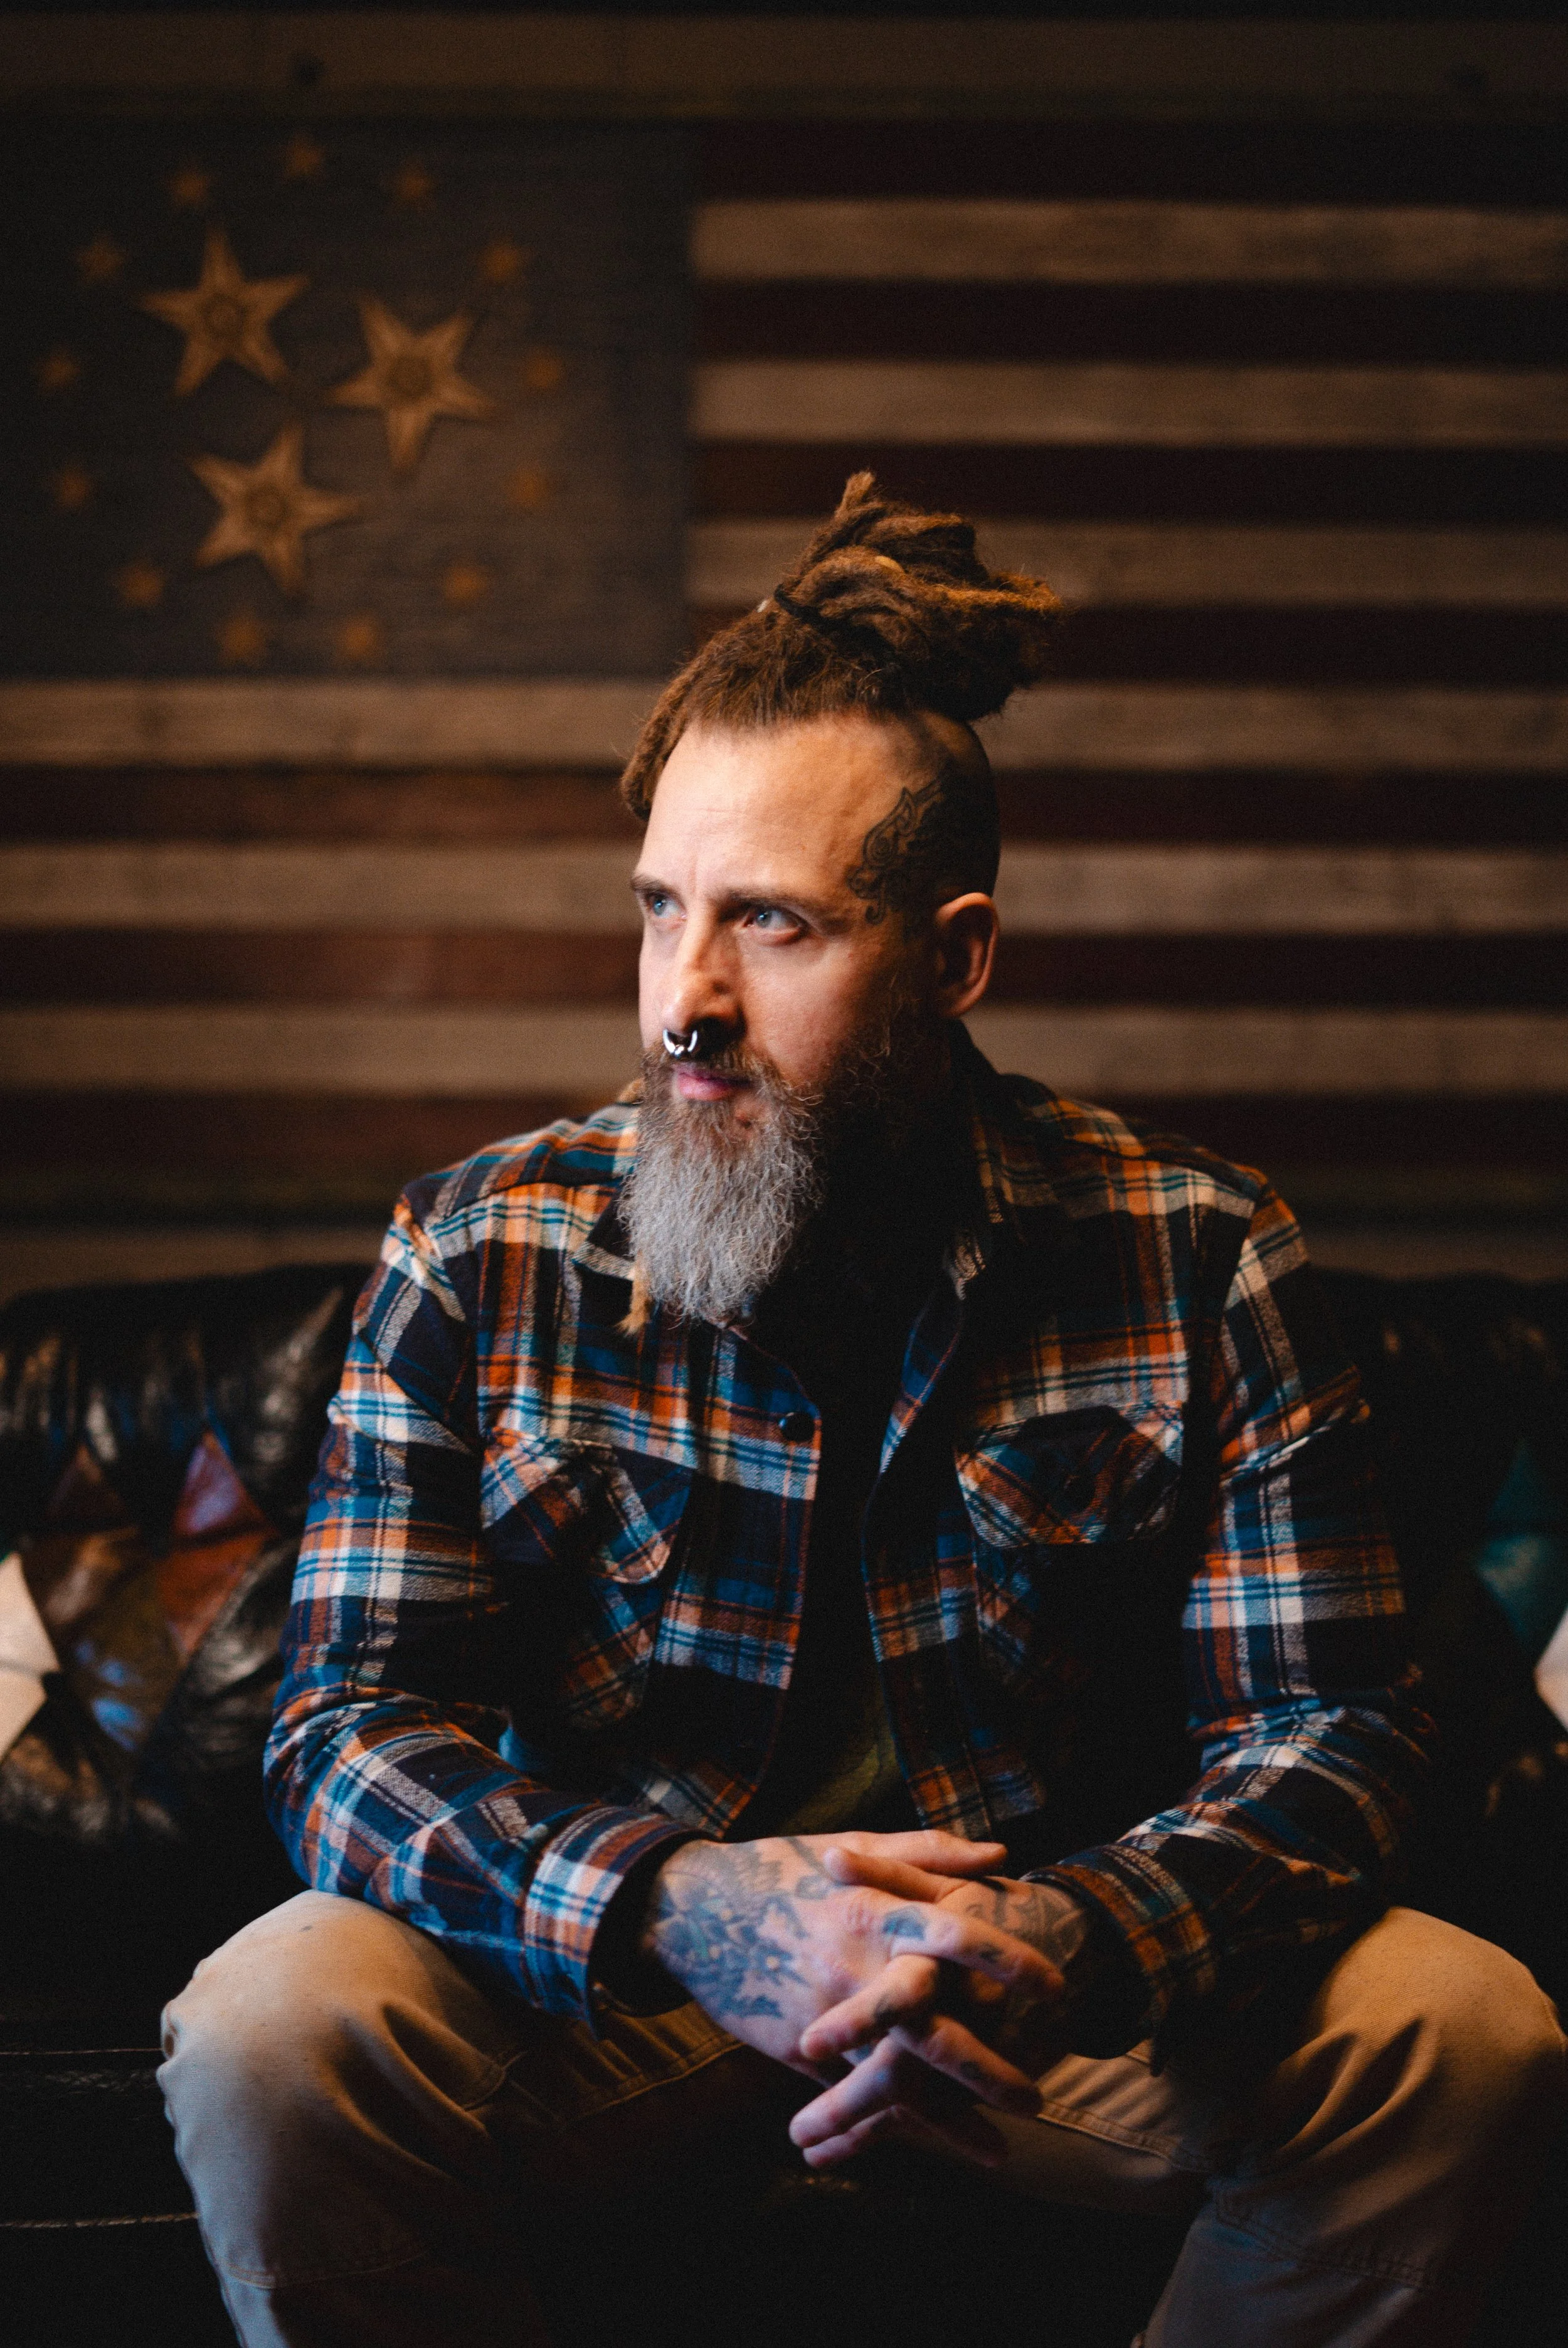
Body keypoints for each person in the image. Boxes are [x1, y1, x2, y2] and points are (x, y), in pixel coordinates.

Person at [161, 476, 1564, 2347]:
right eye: (659, 908)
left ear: (955, 954)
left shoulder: (1194, 1252)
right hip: (624, 1994)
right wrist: (678, 1908)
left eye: (776, 926)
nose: (686, 1001)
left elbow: (1327, 1739)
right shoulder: (482, 1243)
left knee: (1460, 2032)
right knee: (270, 2021)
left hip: (1029, 2007)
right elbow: (341, 1726)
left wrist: (1065, 1939)